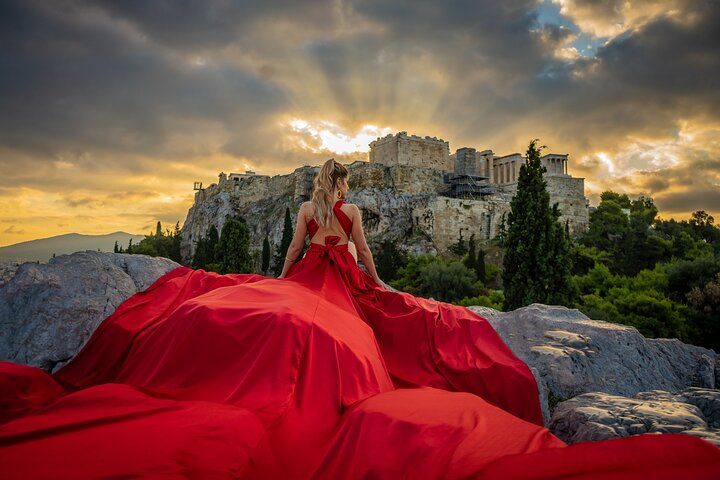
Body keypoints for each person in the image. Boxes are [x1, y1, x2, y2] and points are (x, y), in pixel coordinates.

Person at [1, 159, 718, 478]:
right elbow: (369, 261)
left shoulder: (310, 211)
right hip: (342, 286)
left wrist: (270, 286)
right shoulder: (347, 210)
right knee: (362, 348)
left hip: (312, 280)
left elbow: (287, 259)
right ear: (344, 184)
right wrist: (384, 292)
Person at [277, 158, 394, 292]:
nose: (348, 187)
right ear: (339, 182)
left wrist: (283, 275)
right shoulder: (351, 210)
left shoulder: (306, 208)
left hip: (313, 266)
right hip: (342, 268)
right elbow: (362, 250)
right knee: (351, 246)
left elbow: (295, 247)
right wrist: (376, 279)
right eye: (346, 182)